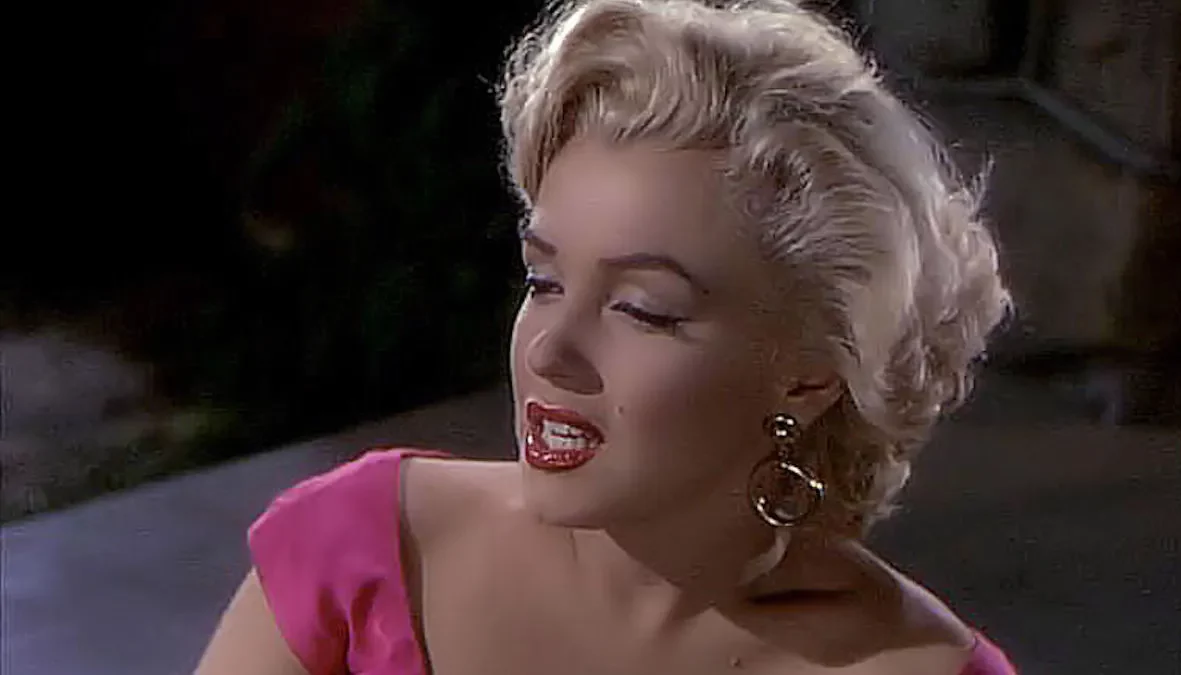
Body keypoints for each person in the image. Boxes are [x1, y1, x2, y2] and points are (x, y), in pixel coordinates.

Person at [194, 0, 1017, 673]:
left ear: (810, 372)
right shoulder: (360, 555)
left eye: (642, 308)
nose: (547, 351)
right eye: (544, 281)